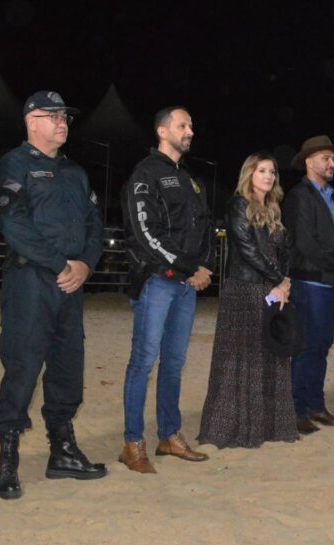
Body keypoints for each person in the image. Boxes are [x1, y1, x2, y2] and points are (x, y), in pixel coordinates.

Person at [0, 91, 107, 500]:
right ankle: (7, 458)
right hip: (31, 282)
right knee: (22, 366)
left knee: (68, 368)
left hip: (71, 284)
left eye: (65, 117)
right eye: (53, 116)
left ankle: (63, 452)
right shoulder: (14, 164)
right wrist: (61, 264)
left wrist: (85, 265)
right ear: (30, 121)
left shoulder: (75, 172)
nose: (62, 122)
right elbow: (13, 223)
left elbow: (95, 223)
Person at [119, 106, 215, 473]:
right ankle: (133, 443)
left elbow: (205, 227)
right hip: (157, 282)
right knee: (143, 362)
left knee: (174, 363)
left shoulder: (190, 179)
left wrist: (202, 267)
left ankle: (169, 436)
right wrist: (189, 267)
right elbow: (145, 233)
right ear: (162, 131)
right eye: (183, 125)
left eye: (191, 125)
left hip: (185, 286)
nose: (190, 131)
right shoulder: (145, 175)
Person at [197, 153, 297, 448]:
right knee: (241, 360)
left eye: (272, 171)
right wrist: (278, 280)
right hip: (244, 289)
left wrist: (285, 281)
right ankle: (236, 428)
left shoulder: (274, 209)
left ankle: (268, 426)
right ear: (249, 174)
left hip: (272, 289)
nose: (268, 176)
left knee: (270, 354)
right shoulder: (238, 205)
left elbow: (285, 251)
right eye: (261, 170)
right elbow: (248, 249)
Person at [283, 135, 334, 435]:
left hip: (330, 283)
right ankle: (296, 410)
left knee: (322, 347)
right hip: (310, 283)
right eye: (326, 158)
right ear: (308, 161)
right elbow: (305, 242)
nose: (332, 163)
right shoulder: (299, 196)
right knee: (306, 347)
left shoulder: (333, 196)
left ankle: (314, 405)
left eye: (333, 158)